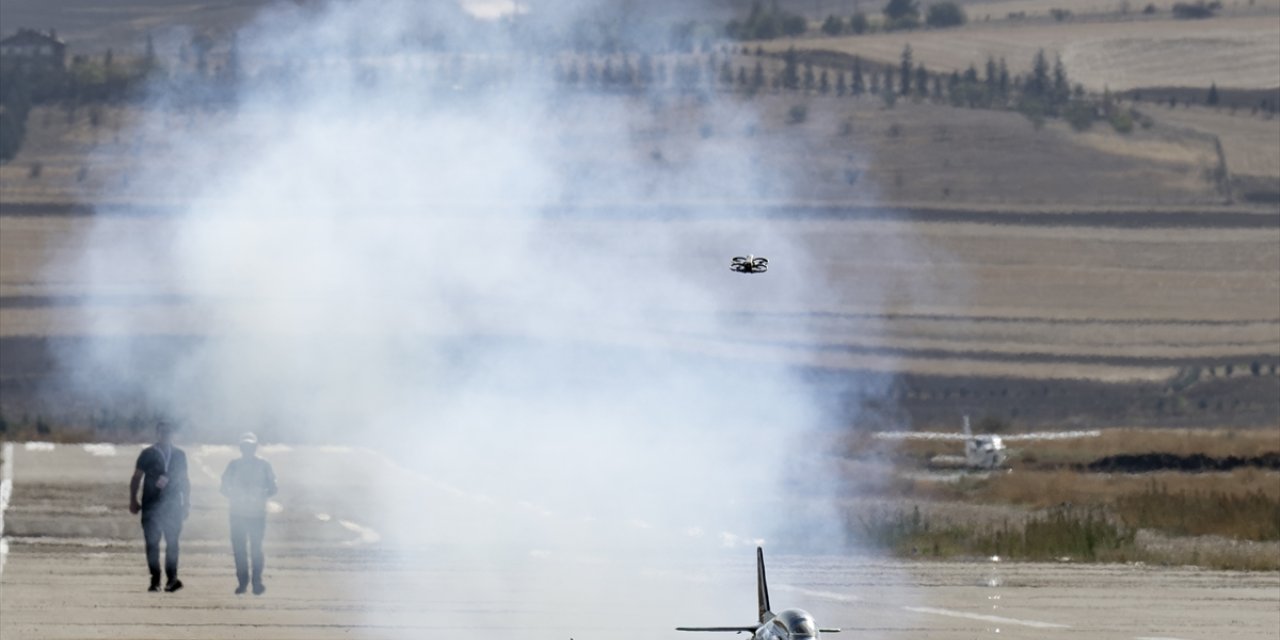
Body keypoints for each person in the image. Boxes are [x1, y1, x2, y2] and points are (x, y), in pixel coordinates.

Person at [129, 420, 190, 593]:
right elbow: (136, 478)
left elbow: (185, 480)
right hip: (151, 505)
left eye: (168, 433)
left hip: (173, 506)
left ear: (172, 435)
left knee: (172, 543)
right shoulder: (147, 454)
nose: (165, 436)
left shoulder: (179, 455)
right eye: (162, 432)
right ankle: (155, 579)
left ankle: (172, 579)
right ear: (157, 434)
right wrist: (133, 500)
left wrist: (186, 503)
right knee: (152, 543)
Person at [220, 432, 277, 595]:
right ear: (241, 447)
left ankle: (257, 581)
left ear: (255, 447)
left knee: (256, 549)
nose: (247, 449)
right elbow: (223, 487)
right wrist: (236, 496)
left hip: (257, 514)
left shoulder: (264, 465)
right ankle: (243, 582)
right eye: (245, 446)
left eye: (250, 446)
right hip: (237, 513)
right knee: (239, 549)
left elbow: (273, 487)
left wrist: (260, 495)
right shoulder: (234, 465)